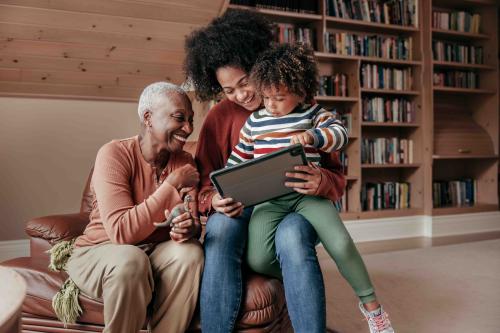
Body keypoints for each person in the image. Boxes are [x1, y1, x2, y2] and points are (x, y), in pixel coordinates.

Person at [184, 10, 345, 333]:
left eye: (244, 82)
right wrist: (214, 201)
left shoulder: (297, 102)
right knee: (221, 228)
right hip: (243, 208)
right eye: (228, 90)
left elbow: (336, 174)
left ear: (259, 66)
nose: (240, 95)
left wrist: (320, 181)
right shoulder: (219, 117)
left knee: (293, 235)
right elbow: (204, 182)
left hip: (295, 205)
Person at [227, 43, 394, 333]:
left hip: (309, 196)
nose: (270, 105)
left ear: (300, 91)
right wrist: (227, 185)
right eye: (266, 97)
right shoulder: (254, 122)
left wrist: (313, 136)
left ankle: (373, 309)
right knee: (257, 257)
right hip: (270, 200)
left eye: (278, 98)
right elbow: (237, 159)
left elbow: (340, 134)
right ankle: (303, 277)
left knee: (340, 243)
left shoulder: (315, 113)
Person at [60, 82, 204, 333]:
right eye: (180, 118)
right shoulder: (114, 154)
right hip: (101, 250)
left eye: (190, 120)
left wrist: (187, 228)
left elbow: (190, 219)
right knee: (130, 259)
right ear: (148, 117)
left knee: (190, 252)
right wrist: (171, 185)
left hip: (155, 251)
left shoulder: (184, 161)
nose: (189, 128)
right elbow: (121, 232)